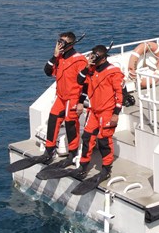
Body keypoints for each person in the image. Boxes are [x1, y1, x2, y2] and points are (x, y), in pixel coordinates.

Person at [74, 45, 124, 181]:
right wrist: (87, 66)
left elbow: (119, 94)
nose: (92, 58)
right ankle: (83, 166)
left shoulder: (113, 72)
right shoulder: (91, 70)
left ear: (103, 58)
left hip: (107, 112)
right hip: (94, 111)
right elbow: (79, 80)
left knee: (104, 140)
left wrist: (116, 114)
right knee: (87, 137)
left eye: (95, 56)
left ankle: (106, 169)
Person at [41, 31, 87, 164]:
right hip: (61, 97)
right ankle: (49, 150)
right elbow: (47, 71)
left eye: (62, 42)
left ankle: (73, 153)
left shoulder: (79, 60)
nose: (59, 45)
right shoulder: (59, 58)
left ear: (70, 44)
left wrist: (80, 102)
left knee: (70, 123)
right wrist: (55, 56)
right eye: (59, 42)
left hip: (73, 98)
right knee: (53, 119)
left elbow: (86, 83)